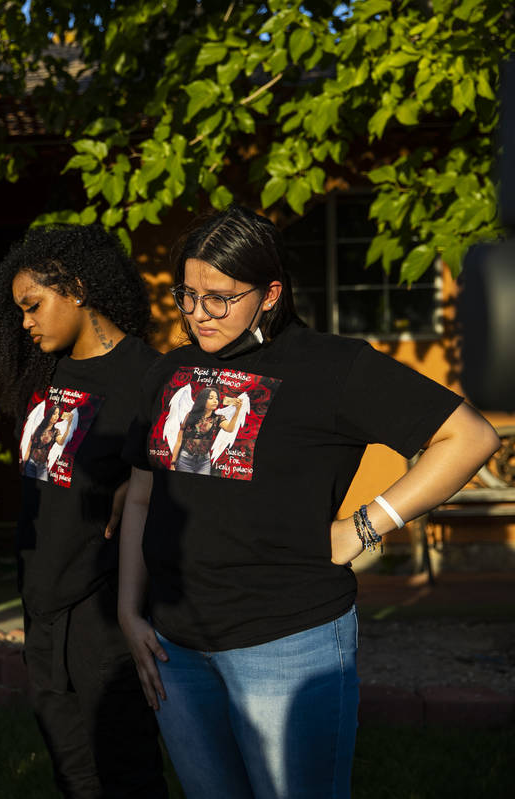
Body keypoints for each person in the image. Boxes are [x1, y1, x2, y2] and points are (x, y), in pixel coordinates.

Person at [117, 205, 500, 799]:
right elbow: (142, 495)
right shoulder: (170, 370)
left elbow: (469, 437)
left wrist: (363, 527)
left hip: (287, 645)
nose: (198, 314)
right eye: (187, 295)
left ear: (270, 294)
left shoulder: (332, 366)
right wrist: (129, 611)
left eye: (219, 298)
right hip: (176, 649)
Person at [0, 225, 168, 798]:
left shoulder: (149, 376)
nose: (25, 323)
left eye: (33, 305)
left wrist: (143, 481)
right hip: (42, 603)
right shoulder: (45, 373)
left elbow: (187, 479)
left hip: (104, 610)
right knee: (72, 777)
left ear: (78, 289)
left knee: (128, 774)